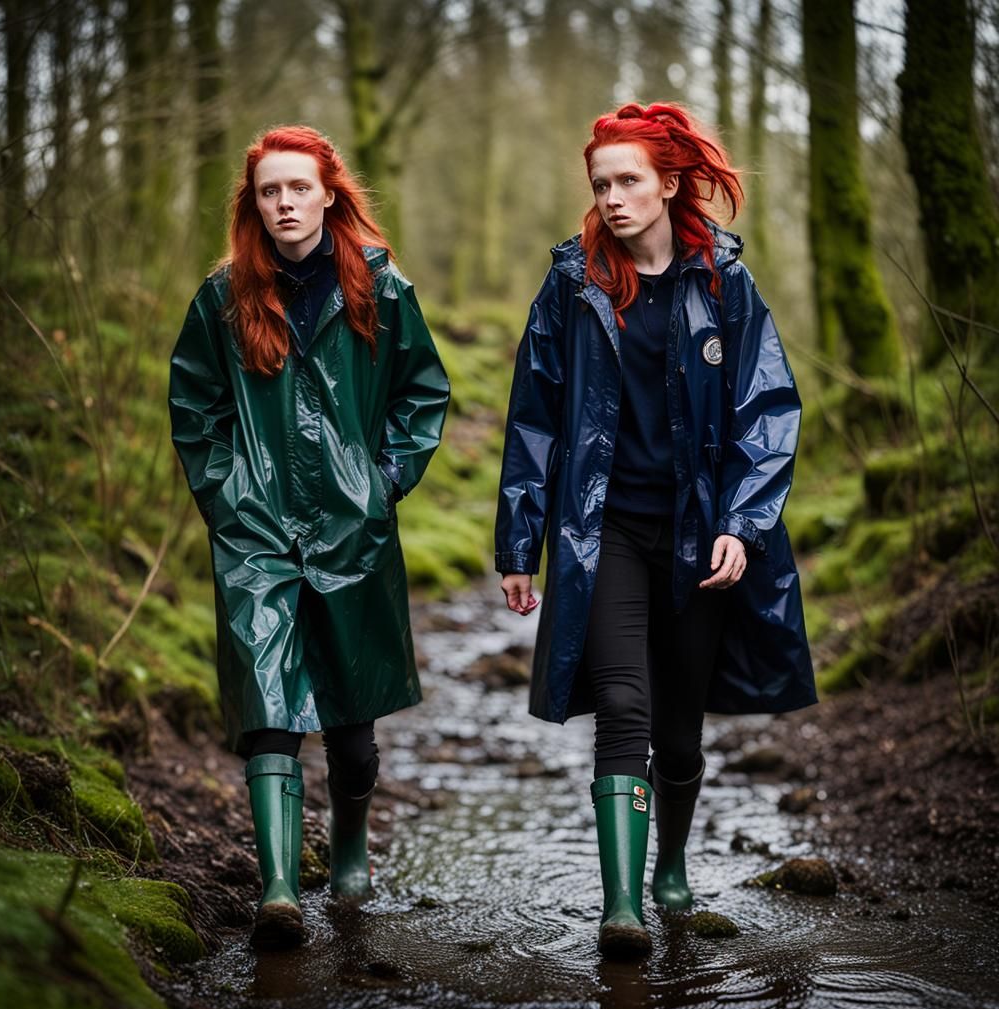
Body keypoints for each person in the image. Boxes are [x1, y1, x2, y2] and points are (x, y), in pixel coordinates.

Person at [495, 103, 815, 958]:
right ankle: (622, 910)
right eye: (600, 184)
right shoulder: (573, 286)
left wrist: (745, 525)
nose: (612, 197)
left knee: (678, 728)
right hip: (604, 534)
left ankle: (670, 864)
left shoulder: (726, 284)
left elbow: (768, 410)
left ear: (670, 183)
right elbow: (533, 420)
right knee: (624, 712)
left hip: (701, 535)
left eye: (629, 179)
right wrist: (518, 544)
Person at [169, 125, 449, 949]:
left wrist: (384, 481)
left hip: (350, 530)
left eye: (299, 188)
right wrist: (227, 497)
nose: (285, 204)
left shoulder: (382, 291)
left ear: (329, 193)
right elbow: (195, 411)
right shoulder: (222, 297)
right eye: (269, 191)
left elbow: (422, 395)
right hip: (254, 530)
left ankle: (352, 847)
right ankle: (281, 889)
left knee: (352, 723)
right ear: (252, 204)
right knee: (269, 711)